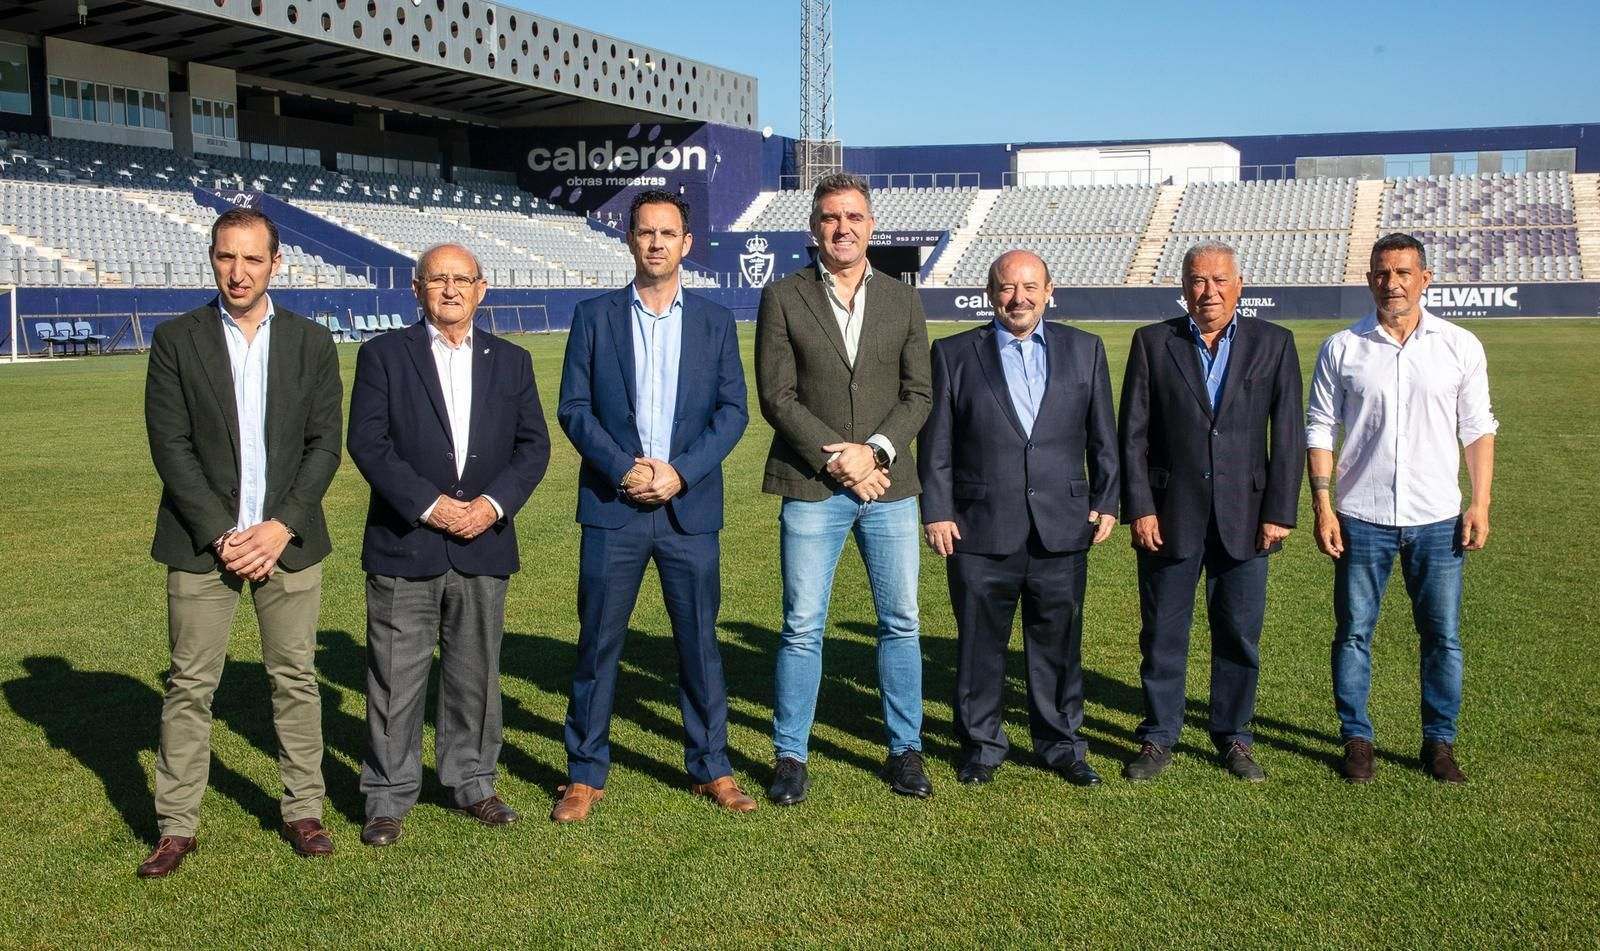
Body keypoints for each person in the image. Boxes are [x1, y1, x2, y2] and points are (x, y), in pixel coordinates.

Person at [140, 207, 342, 877]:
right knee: (190, 685)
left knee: (295, 679)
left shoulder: (312, 342)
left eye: (252, 259)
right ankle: (176, 825)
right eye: (227, 257)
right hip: (205, 545)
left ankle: (303, 809)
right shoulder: (176, 339)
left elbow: (324, 446)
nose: (238, 271)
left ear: (275, 264)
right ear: (212, 258)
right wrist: (224, 534)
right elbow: (169, 445)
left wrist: (280, 524)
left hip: (288, 539)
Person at [553, 191, 752, 821]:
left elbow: (732, 414)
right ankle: (585, 773)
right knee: (598, 644)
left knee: (699, 645)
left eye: (668, 233)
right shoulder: (594, 316)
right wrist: (624, 468)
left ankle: (711, 766)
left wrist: (680, 474)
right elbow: (574, 409)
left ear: (687, 243)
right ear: (630, 240)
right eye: (646, 233)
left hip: (687, 512)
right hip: (614, 509)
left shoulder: (716, 322)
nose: (657, 243)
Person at [347, 243, 550, 846]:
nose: (452, 289)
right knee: (394, 677)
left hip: (483, 542)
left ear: (482, 289)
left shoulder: (511, 361)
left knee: (475, 676)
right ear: (417, 289)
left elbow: (532, 447)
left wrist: (489, 507)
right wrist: (433, 506)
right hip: (406, 542)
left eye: (463, 279)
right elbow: (369, 443)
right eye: (439, 279)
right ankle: (387, 795)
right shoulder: (383, 354)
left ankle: (473, 782)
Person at [755, 172, 934, 803]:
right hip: (812, 485)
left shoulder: (904, 300)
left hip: (890, 484)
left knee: (901, 621)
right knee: (803, 623)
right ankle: (790, 754)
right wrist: (841, 461)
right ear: (814, 228)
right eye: (830, 217)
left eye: (853, 217)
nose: (842, 227)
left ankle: (905, 749)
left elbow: (919, 393)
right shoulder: (782, 297)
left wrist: (875, 452)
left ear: (871, 225)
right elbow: (776, 396)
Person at [919, 250, 1119, 787]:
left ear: (1050, 291)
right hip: (979, 528)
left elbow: (1104, 438)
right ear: (990, 293)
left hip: (1063, 526)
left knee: (1058, 645)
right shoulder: (955, 354)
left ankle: (1062, 745)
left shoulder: (1086, 350)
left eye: (1031, 287)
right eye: (1008, 288)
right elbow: (936, 445)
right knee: (980, 646)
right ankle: (982, 745)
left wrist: (1108, 499)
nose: (1019, 298)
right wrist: (937, 511)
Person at [1306, 233, 1497, 785]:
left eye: (1404, 273)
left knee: (1442, 636)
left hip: (1438, 517)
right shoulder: (1342, 347)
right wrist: (1323, 504)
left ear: (1425, 278)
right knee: (1353, 634)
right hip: (1360, 516)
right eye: (1382, 273)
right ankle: (1356, 738)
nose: (1393, 283)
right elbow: (1319, 427)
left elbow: (1478, 429)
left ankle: (1439, 743)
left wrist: (1479, 502)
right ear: (1370, 279)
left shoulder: (1460, 345)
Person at [1118, 241, 1303, 783]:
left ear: (1238, 285)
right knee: (1162, 633)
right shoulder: (1153, 342)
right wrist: (1141, 508)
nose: (1209, 292)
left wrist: (1279, 511)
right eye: (1198, 281)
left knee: (1239, 633)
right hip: (1169, 514)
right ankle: (1157, 736)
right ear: (1183, 286)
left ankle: (1234, 735)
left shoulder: (1274, 343)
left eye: (1220, 280)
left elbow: (1287, 435)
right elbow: (1133, 435)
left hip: (1247, 517)